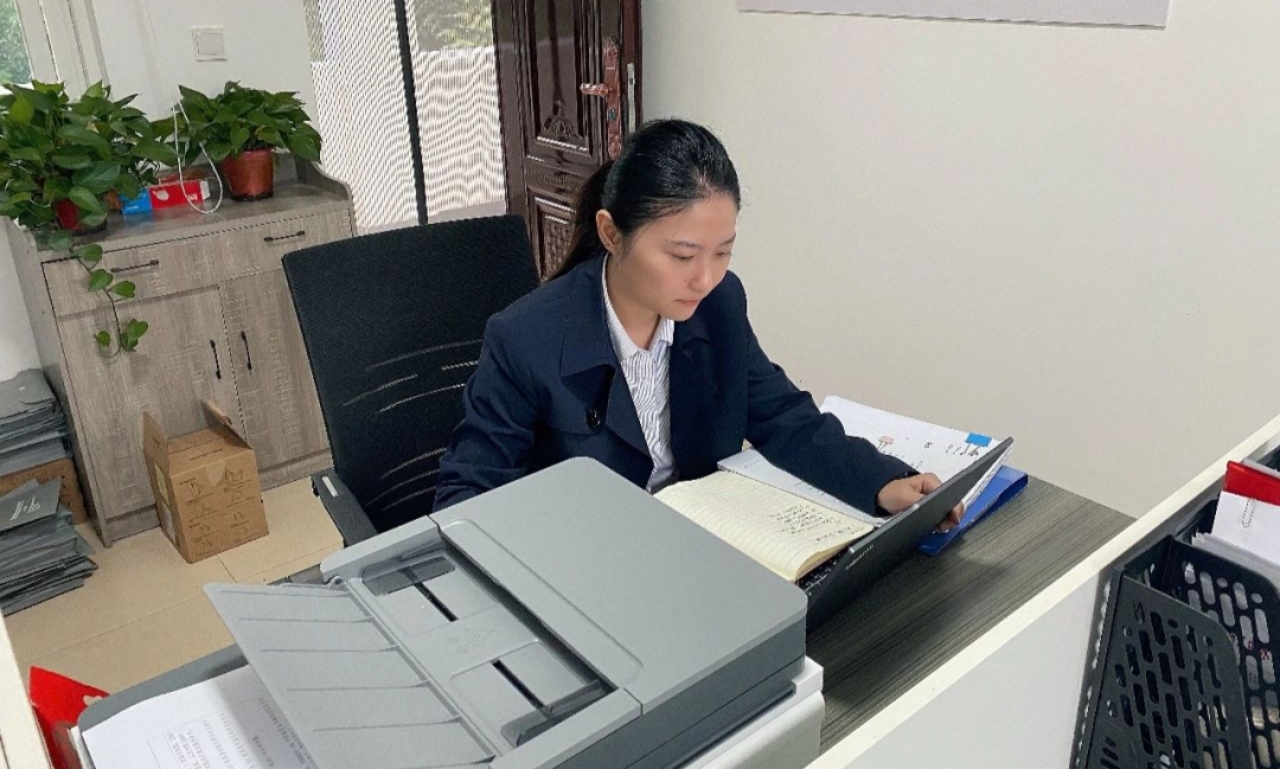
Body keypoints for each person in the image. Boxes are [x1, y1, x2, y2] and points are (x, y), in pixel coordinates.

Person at [433, 118, 960, 530]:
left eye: (722, 252)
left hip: (695, 548)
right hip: (586, 560)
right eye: (682, 256)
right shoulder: (526, 338)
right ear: (612, 234)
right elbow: (467, 496)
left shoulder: (718, 305)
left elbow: (783, 417)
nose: (705, 278)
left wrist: (883, 482)